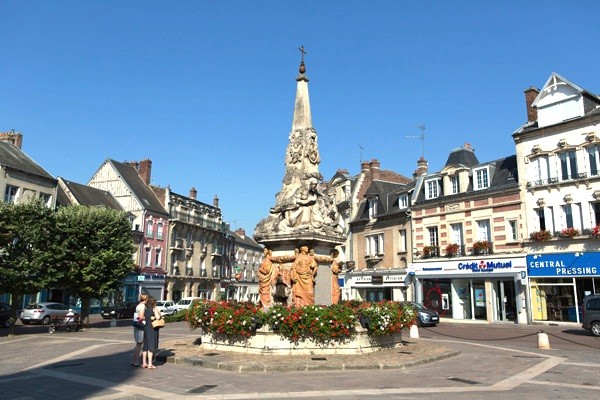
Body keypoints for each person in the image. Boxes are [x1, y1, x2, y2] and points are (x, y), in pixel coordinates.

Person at [141, 296, 162, 369]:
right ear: (153, 302)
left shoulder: (146, 309)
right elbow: (158, 317)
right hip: (152, 328)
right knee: (151, 347)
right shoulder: (154, 309)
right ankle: (150, 364)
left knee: (145, 346)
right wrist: (159, 313)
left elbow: (143, 317)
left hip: (146, 327)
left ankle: (144, 363)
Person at [131, 293, 147, 367]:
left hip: (136, 325)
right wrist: (148, 317)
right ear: (146, 299)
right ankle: (136, 361)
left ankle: (133, 360)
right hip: (140, 326)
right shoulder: (143, 306)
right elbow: (141, 317)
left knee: (137, 343)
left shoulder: (138, 305)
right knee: (139, 344)